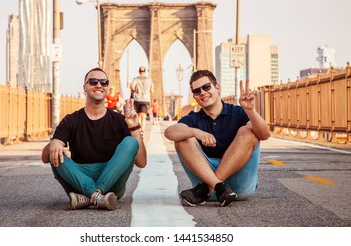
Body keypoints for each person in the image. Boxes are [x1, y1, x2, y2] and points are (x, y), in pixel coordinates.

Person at [41, 67, 146, 211]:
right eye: (93, 81)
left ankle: (90, 196)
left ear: (107, 88)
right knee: (54, 152)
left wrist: (135, 128)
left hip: (112, 183)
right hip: (80, 179)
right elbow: (45, 157)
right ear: (84, 87)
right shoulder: (71, 120)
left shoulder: (120, 121)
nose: (99, 85)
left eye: (103, 82)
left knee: (131, 142)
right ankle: (97, 198)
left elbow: (141, 162)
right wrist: (54, 143)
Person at [164, 70, 270, 207]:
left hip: (233, 187)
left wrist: (250, 110)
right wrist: (195, 132)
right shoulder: (193, 118)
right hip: (210, 181)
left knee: (248, 132)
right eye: (197, 91)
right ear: (195, 97)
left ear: (217, 87)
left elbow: (264, 134)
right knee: (184, 136)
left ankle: (209, 188)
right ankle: (219, 187)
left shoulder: (238, 112)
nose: (202, 92)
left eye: (206, 87)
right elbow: (169, 132)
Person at [130, 66, 154, 133]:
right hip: (145, 99)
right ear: (145, 72)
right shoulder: (149, 79)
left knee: (138, 115)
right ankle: (142, 130)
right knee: (143, 115)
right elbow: (152, 90)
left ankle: (138, 128)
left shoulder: (136, 79)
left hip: (137, 99)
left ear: (139, 71)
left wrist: (135, 91)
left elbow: (132, 87)